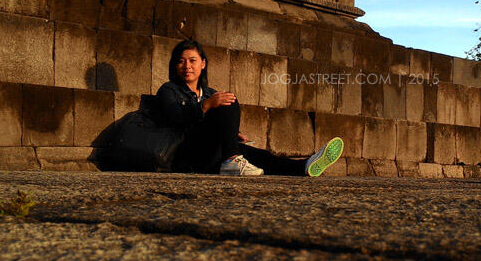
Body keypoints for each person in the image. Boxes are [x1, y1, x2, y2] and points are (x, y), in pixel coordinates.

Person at [146, 39, 344, 177]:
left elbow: (215, 121)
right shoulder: (169, 90)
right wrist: (206, 106)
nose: (186, 66)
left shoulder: (208, 92)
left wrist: (231, 133)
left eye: (192, 60)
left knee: (257, 156)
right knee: (227, 101)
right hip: (185, 154)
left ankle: (305, 166)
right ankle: (232, 159)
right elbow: (176, 119)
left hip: (211, 152)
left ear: (203, 64)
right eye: (181, 61)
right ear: (175, 65)